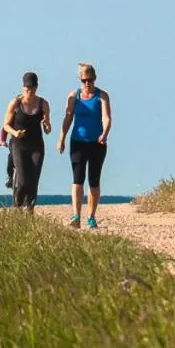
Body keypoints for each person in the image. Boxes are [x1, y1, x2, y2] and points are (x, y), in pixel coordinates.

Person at [57, 62, 111, 228]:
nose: (87, 83)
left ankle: (91, 216)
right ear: (81, 80)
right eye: (84, 80)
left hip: (97, 143)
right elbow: (68, 118)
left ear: (95, 79)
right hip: (77, 142)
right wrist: (62, 138)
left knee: (93, 181)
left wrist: (104, 133)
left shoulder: (102, 96)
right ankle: (76, 216)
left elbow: (106, 118)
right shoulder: (75, 96)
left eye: (90, 80)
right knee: (77, 179)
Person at [2, 72, 51, 212]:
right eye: (27, 88)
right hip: (19, 144)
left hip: (36, 145)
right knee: (23, 181)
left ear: (36, 87)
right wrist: (15, 133)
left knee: (34, 180)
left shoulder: (43, 104)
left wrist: (46, 124)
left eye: (32, 88)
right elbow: (5, 125)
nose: (30, 91)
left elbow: (48, 129)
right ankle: (17, 205)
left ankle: (30, 209)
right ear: (23, 87)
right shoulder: (15, 103)